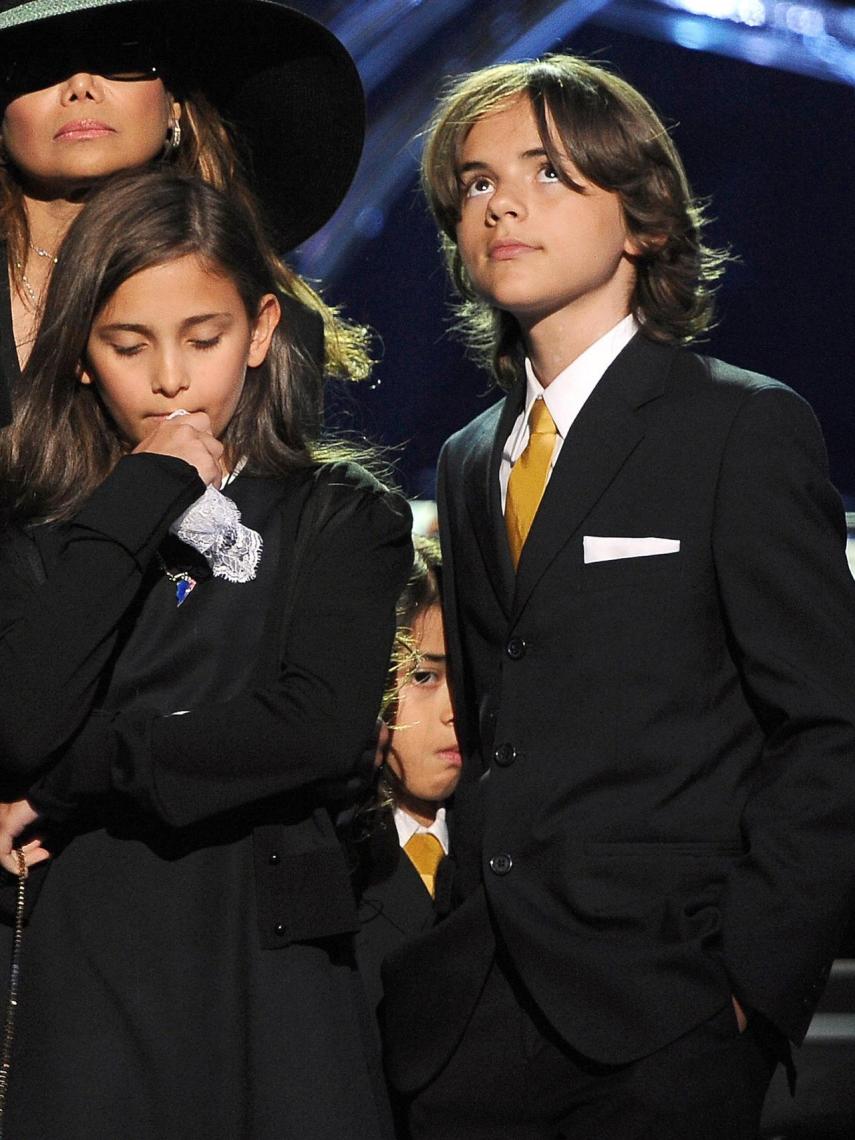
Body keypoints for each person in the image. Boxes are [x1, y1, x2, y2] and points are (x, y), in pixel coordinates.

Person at [381, 54, 855, 1139]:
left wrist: (751, 989)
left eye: (548, 173)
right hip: (472, 1010)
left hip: (664, 1011)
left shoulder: (740, 427)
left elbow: (829, 725)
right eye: (477, 182)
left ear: (641, 217)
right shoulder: (467, 458)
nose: (502, 202)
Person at [0, 167, 412, 1138]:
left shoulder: (341, 516)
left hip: (274, 971)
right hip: (95, 963)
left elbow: (313, 728)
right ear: (80, 356)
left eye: (204, 338)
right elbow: (22, 718)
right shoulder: (43, 531)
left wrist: (89, 765)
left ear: (262, 330)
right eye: (128, 344)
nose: (173, 379)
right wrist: (140, 494)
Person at [0, 0, 371, 431]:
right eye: (40, 63)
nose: (81, 86)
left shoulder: (278, 331)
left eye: (122, 55)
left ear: (172, 101)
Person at [348, 536, 461, 1019]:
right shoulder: (338, 856)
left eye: (465, 680)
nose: (454, 711)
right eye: (424, 678)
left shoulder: (512, 839)